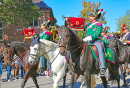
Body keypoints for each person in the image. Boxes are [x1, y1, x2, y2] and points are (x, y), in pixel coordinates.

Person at [83, 8, 106, 76]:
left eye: (91, 16)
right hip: (88, 41)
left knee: (99, 49)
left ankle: (102, 68)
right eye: (90, 16)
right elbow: (81, 27)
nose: (90, 17)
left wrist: (89, 37)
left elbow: (97, 33)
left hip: (96, 41)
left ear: (95, 17)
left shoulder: (98, 24)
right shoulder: (88, 25)